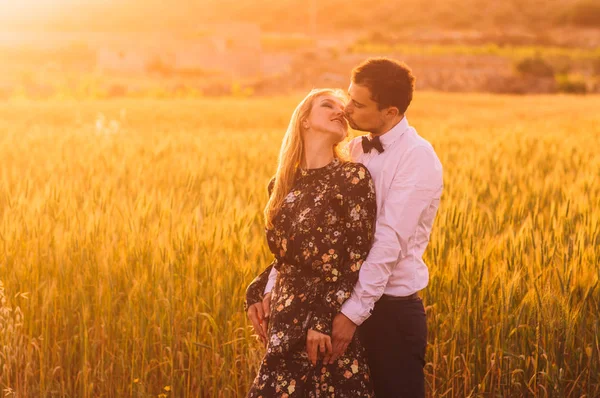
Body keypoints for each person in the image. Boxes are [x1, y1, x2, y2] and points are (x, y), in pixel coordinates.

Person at [250, 58, 444, 397]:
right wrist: (265, 288)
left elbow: (386, 243)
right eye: (345, 99)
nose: (347, 109)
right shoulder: (353, 150)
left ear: (390, 111)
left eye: (356, 103)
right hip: (335, 305)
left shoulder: (417, 157)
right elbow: (313, 246)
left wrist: (350, 315)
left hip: (387, 312)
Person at [244, 88, 377, 397]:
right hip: (284, 321)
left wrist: (321, 319)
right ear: (304, 120)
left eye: (342, 108)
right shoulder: (281, 185)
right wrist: (256, 290)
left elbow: (355, 258)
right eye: (327, 105)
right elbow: (287, 258)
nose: (339, 111)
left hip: (325, 324)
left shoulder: (352, 178)